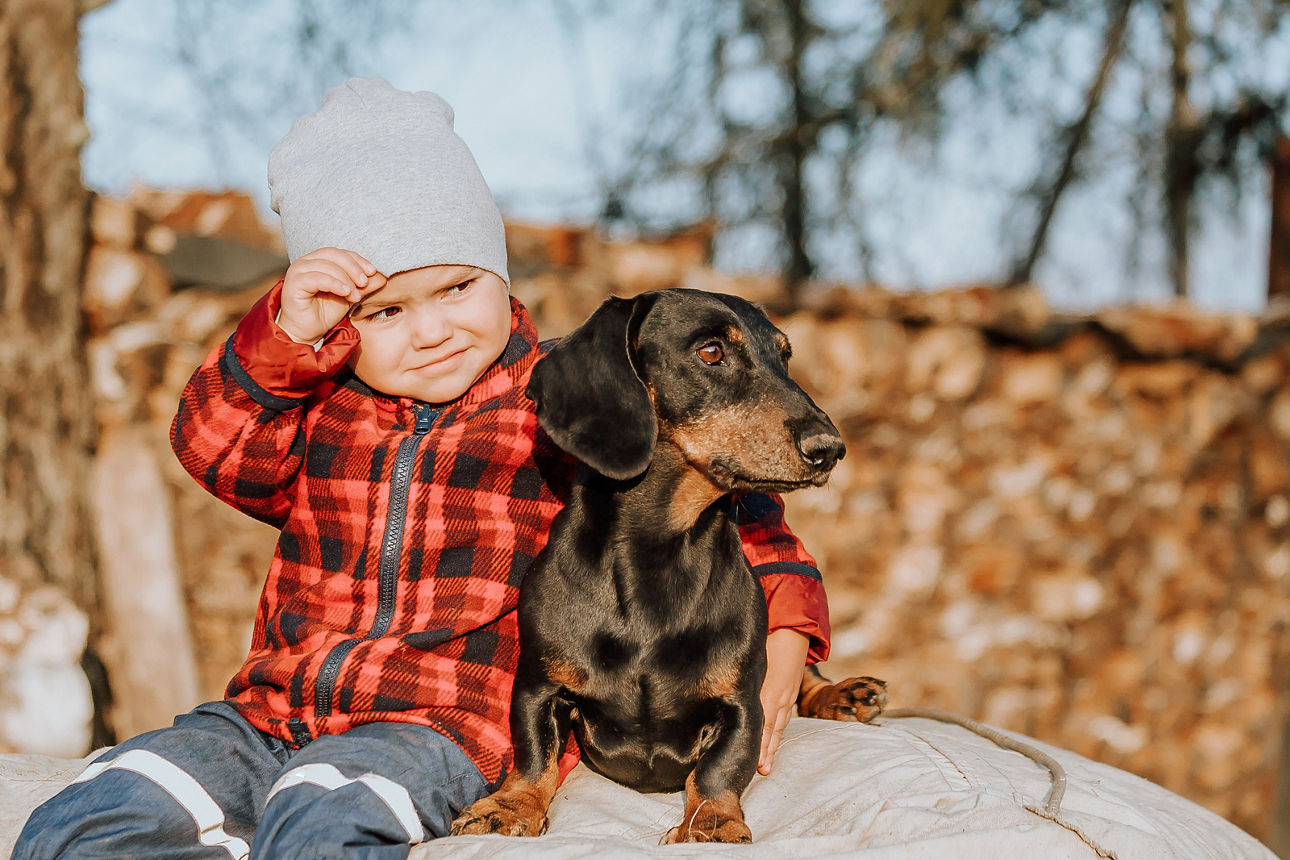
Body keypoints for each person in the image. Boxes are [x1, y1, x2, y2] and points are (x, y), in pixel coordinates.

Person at [13, 77, 831, 859]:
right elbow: (213, 448)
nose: (432, 330)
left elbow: (723, 506)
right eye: (387, 310)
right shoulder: (320, 406)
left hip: (435, 725)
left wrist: (791, 629)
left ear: (499, 272)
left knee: (318, 827)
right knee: (78, 824)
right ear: (342, 321)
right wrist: (284, 343)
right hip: (268, 713)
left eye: (457, 287)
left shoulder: (558, 400)